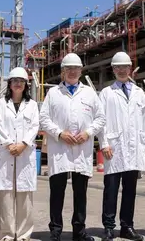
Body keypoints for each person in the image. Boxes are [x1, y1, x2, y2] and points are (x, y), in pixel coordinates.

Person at [39, 52, 106, 241]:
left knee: (80, 194)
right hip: (59, 150)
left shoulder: (89, 93)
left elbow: (101, 118)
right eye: (68, 69)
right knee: (57, 194)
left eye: (75, 68)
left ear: (81, 71)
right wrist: (59, 133)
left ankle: (79, 232)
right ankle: (55, 231)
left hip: (81, 150)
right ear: (63, 72)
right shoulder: (53, 93)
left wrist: (88, 132)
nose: (72, 72)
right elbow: (43, 119)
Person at [97, 52, 145, 241]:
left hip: (134, 148)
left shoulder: (139, 93)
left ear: (130, 69)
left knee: (130, 191)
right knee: (110, 191)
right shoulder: (106, 93)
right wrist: (104, 143)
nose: (121, 70)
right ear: (113, 69)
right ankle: (109, 227)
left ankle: (127, 226)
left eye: (125, 67)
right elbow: (100, 120)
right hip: (113, 147)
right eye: (118, 67)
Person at [0, 67, 40, 241]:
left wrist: (23, 145)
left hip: (24, 154)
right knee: (6, 198)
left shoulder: (33, 105)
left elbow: (34, 126)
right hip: (6, 154)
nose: (18, 84)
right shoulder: (1, 103)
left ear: (26, 85)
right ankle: (6, 234)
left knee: (25, 198)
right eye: (15, 81)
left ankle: (23, 235)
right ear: (10, 84)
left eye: (21, 81)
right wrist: (9, 144)